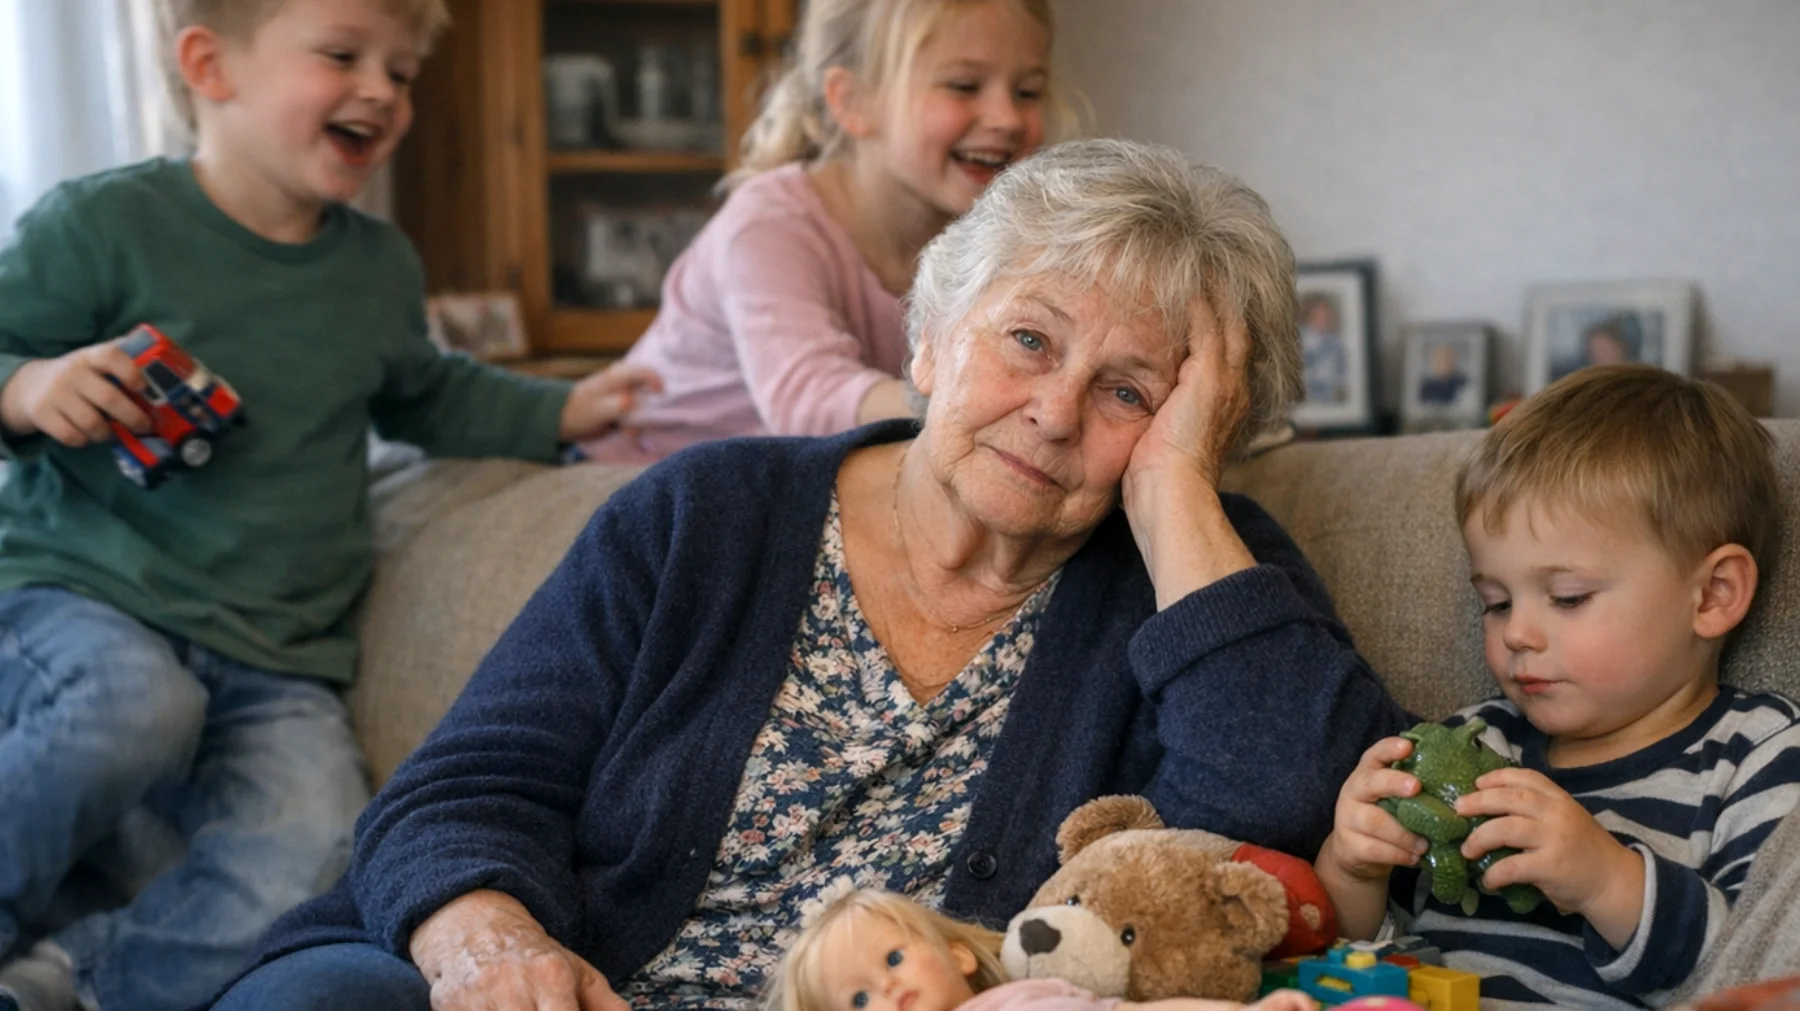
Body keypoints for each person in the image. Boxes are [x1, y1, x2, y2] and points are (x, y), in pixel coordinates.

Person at [209, 139, 1405, 1011]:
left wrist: (1177, 495)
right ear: (931, 339)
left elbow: (1280, 830)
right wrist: (491, 947)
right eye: (1028, 340)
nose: (1053, 412)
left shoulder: (1200, 576)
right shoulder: (708, 512)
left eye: (1129, 392)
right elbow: (466, 786)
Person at [0, 0, 660, 1008]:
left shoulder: (377, 266)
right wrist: (29, 386)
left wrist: (564, 407)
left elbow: (429, 395)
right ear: (209, 66)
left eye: (400, 72)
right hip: (85, 596)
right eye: (343, 55)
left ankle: (71, 982)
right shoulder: (101, 224)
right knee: (137, 704)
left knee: (320, 851)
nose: (380, 92)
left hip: (277, 652)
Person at [1314, 364, 1800, 1009]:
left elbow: (1758, 966)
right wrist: (1353, 868)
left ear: (1712, 594)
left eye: (1568, 597)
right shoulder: (1479, 741)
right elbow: (1354, 950)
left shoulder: (1759, 754)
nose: (1517, 633)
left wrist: (1604, 879)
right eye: (1496, 603)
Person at [577, 0, 1055, 463]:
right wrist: (976, 403)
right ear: (852, 102)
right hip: (637, 469)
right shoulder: (768, 224)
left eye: (1027, 92)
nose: (1007, 118)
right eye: (964, 86)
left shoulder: (992, 236)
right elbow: (809, 400)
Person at [762, 887, 1315, 1011]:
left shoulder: (1030, 995)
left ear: (959, 954)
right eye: (858, 1001)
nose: (885, 988)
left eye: (893, 959)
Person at [1296, 295, 1344, 405]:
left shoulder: (1334, 342)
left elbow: (1341, 374)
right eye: (1317, 314)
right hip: (1304, 398)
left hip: (1327, 398)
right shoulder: (1299, 338)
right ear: (1310, 315)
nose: (1322, 318)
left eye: (1324, 314)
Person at [1415, 343, 1468, 407]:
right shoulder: (1426, 385)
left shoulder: (1462, 383)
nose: (1444, 364)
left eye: (1448, 360)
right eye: (1440, 360)